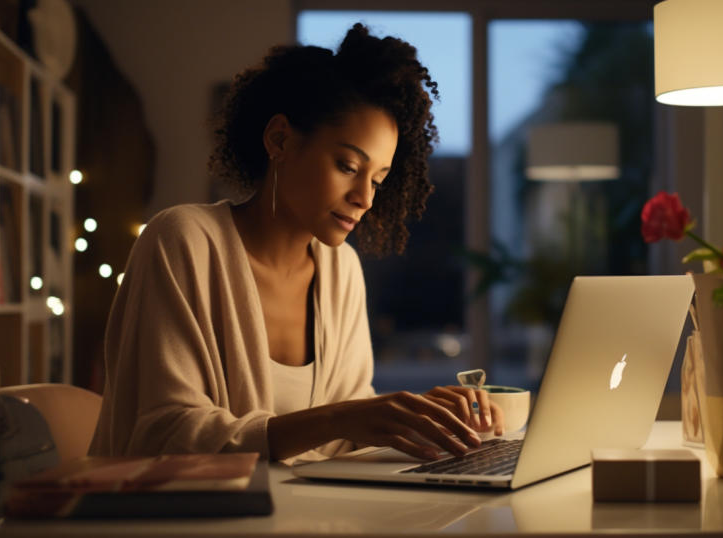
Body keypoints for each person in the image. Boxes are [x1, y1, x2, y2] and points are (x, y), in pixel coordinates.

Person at [89, 24, 504, 464]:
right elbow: (164, 432)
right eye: (347, 165)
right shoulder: (183, 241)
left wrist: (420, 416)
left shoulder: (341, 268)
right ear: (280, 140)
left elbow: (342, 441)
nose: (364, 197)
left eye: (378, 180)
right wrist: (340, 418)